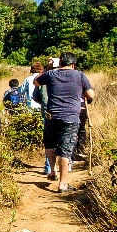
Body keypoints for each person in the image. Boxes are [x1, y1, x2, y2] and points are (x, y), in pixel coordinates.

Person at [35, 52, 94, 192]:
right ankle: (62, 184)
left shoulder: (50, 74)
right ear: (73, 64)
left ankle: (52, 171)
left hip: (51, 115)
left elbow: (36, 82)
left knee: (50, 144)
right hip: (70, 117)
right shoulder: (80, 75)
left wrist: (48, 67)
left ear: (60, 63)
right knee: (65, 150)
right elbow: (90, 95)